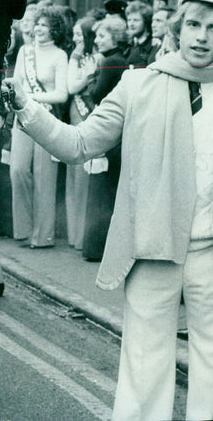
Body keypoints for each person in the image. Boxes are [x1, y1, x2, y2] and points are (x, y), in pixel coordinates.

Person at [2, 0, 213, 421]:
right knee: (143, 373)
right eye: (193, 24)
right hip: (152, 249)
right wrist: (26, 108)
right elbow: (79, 143)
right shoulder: (137, 85)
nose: (201, 36)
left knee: (212, 377)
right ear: (177, 28)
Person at [9, 5, 69, 248]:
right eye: (38, 24)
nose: (40, 29)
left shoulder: (59, 56)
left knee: (45, 177)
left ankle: (42, 236)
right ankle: (23, 230)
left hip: (46, 118)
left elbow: (61, 94)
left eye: (45, 25)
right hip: (22, 117)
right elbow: (16, 83)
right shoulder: (25, 51)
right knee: (18, 170)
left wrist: (33, 99)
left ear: (55, 30)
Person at [81, 15, 128, 262]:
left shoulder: (111, 62)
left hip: (109, 136)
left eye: (102, 36)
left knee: (102, 193)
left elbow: (95, 95)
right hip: (117, 136)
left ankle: (97, 248)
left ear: (115, 37)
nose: (97, 40)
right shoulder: (118, 60)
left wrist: (91, 75)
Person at [65, 16, 100, 250]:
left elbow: (73, 87)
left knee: (83, 180)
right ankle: (73, 235)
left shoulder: (97, 58)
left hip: (87, 115)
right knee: (73, 178)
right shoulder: (80, 57)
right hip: (74, 114)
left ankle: (82, 237)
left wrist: (75, 57)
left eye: (80, 34)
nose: (76, 38)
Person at [124, 0, 153, 68]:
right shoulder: (128, 45)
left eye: (136, 20)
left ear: (145, 22)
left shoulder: (151, 45)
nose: (131, 24)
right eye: (129, 20)